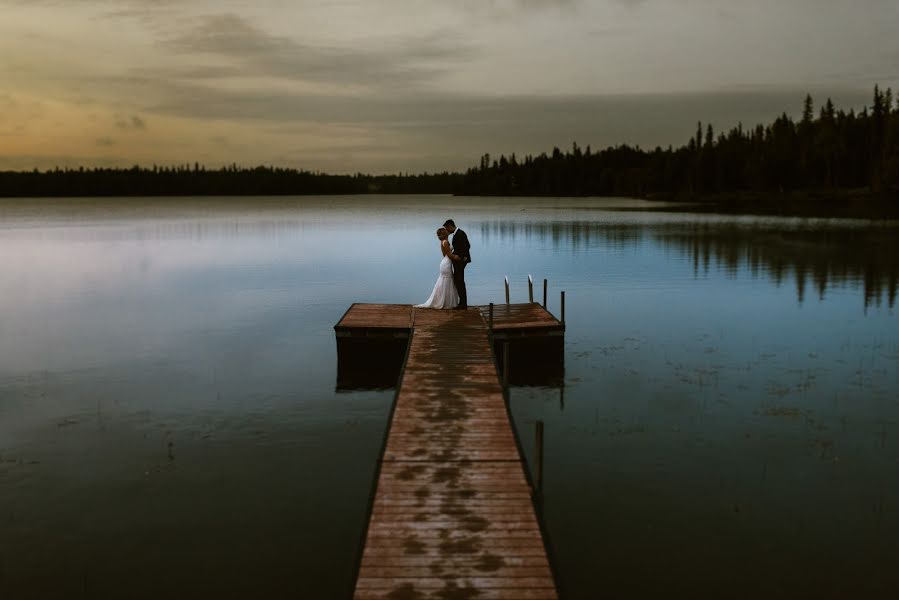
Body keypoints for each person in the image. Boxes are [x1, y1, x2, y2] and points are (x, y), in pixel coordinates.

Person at [414, 227, 460, 309]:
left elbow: (445, 254)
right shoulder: (445, 242)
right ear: (444, 234)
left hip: (445, 262)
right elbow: (449, 255)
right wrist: (457, 257)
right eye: (445, 231)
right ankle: (445, 302)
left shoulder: (444, 242)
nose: (447, 231)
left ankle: (444, 301)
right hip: (446, 263)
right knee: (446, 281)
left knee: (445, 281)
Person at [443, 219, 471, 309]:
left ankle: (463, 304)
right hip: (458, 260)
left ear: (450, 226)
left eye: (447, 228)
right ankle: (462, 303)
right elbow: (459, 247)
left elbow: (467, 245)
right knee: (458, 281)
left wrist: (461, 257)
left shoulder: (460, 233)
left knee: (459, 281)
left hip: (461, 261)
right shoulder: (457, 233)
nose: (447, 231)